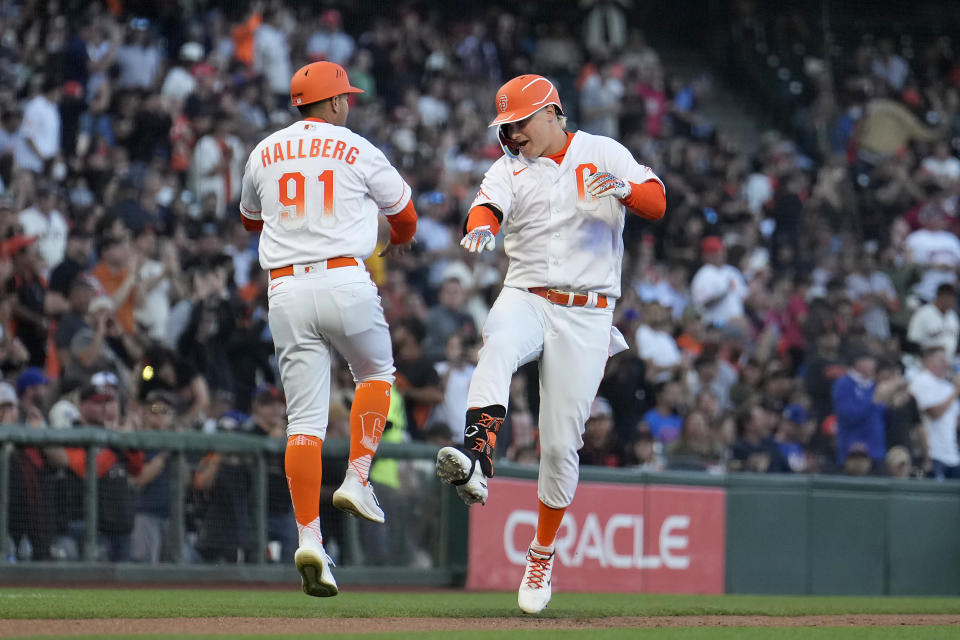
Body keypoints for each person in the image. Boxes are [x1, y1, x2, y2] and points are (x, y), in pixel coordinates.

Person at [434, 73, 665, 614]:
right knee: (496, 342)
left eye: (518, 123)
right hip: (528, 293)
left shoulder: (602, 151)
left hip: (588, 314)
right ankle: (479, 455)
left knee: (560, 446)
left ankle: (541, 554)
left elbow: (656, 201)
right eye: (506, 127)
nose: (512, 135)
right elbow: (486, 205)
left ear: (551, 113)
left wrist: (625, 190)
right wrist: (482, 226)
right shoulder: (510, 167)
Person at [239, 61, 418, 597]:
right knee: (377, 371)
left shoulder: (262, 151)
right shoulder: (358, 147)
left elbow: (251, 220)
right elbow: (406, 216)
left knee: (304, 425)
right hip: (344, 277)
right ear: (336, 103)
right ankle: (359, 478)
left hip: (286, 290)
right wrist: (389, 236)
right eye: (347, 98)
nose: (349, 105)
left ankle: (310, 539)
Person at [907, 346, 960, 480]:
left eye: (946, 360)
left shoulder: (948, 386)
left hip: (952, 454)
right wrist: (956, 391)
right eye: (941, 359)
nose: (945, 363)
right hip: (932, 454)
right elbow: (934, 413)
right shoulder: (921, 381)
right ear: (928, 360)